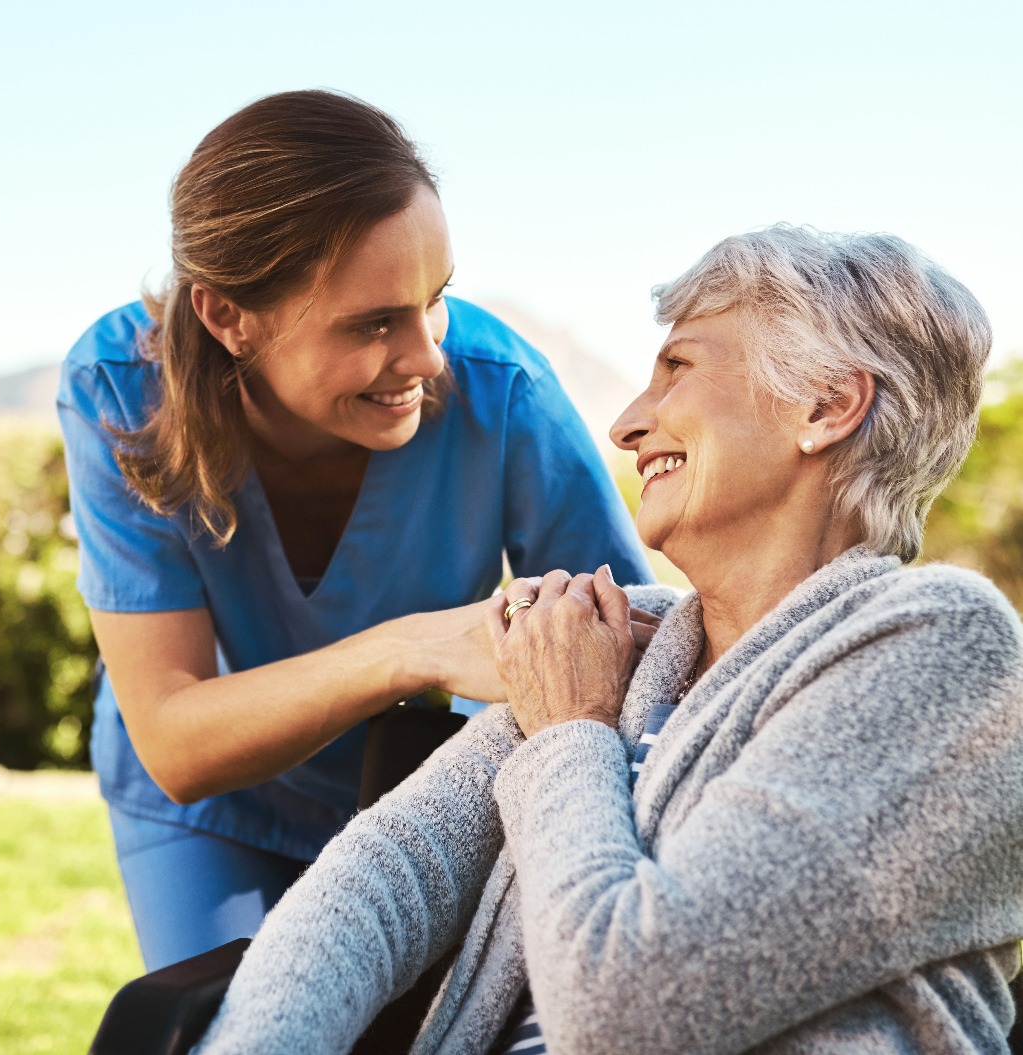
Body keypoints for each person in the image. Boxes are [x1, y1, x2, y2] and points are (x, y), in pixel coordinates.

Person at [192, 225, 1023, 1055]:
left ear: (826, 405)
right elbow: (385, 878)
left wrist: (571, 729)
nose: (627, 424)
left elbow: (629, 1014)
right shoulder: (630, 640)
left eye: (678, 369)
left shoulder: (940, 648)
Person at [56, 89, 654, 971]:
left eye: (435, 298)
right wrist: (410, 649)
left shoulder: (504, 389)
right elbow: (175, 738)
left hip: (414, 790)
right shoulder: (116, 391)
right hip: (204, 811)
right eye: (373, 323)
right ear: (228, 317)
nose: (427, 357)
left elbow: (624, 643)